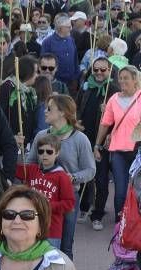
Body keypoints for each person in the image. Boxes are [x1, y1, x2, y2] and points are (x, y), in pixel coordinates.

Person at [27, 94, 95, 258]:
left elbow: (90, 170)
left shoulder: (80, 139)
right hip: (42, 197)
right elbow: (30, 164)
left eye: (49, 108)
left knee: (65, 246)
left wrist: (72, 177)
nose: (45, 111)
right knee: (37, 243)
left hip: (68, 197)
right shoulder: (41, 136)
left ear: (63, 113)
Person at [76, 57, 118, 231]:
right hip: (85, 138)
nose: (99, 73)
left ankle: (98, 213)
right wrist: (76, 122)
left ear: (109, 71)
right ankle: (85, 207)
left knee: (101, 179)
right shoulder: (86, 87)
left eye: (103, 70)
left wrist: (108, 111)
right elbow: (76, 107)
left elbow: (121, 117)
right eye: (96, 70)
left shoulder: (114, 90)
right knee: (86, 174)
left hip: (103, 141)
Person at [94, 65, 141, 222]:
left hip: (138, 152)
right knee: (120, 191)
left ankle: (134, 225)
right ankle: (119, 225)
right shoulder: (113, 99)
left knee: (137, 190)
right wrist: (97, 145)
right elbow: (105, 123)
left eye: (126, 78)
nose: (122, 81)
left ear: (135, 80)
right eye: (120, 78)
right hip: (118, 151)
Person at [17, 135, 76, 249]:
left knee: (49, 263)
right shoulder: (31, 169)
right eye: (41, 151)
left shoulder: (62, 176)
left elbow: (69, 203)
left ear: (57, 153)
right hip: (30, 227)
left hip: (51, 230)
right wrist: (17, 147)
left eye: (49, 152)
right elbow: (12, 169)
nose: (44, 155)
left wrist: (47, 205)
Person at [0, 55, 39, 152]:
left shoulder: (29, 91)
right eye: (36, 72)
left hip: (25, 145)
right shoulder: (8, 87)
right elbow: (2, 115)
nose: (37, 75)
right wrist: (11, 136)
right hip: (10, 144)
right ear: (27, 72)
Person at [41, 16, 79, 93]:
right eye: (68, 27)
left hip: (71, 83)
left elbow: (75, 59)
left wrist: (76, 77)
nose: (71, 29)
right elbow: (43, 62)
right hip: (55, 84)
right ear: (60, 28)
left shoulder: (71, 40)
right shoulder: (48, 42)